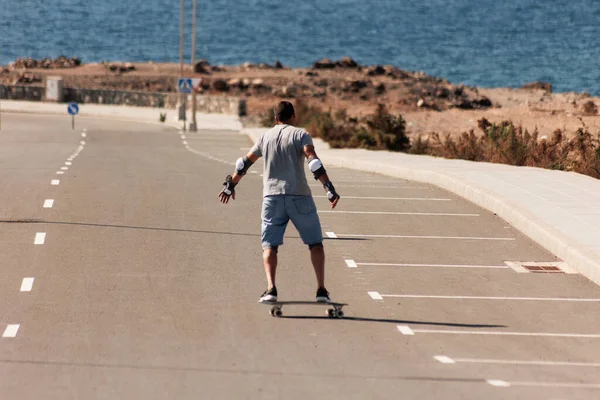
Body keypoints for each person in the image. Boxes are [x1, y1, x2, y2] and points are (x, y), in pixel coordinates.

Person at [218, 101, 340, 303]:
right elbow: (313, 161)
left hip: (272, 198)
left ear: (275, 119)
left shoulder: (265, 137)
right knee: (315, 244)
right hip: (299, 196)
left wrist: (230, 186)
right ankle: (320, 290)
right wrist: (329, 188)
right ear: (293, 116)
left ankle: (271, 288)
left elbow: (244, 163)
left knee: (270, 246)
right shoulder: (301, 135)